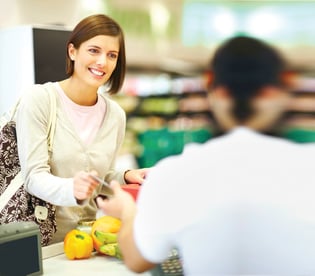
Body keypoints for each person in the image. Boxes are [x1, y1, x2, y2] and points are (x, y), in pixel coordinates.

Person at [96, 36, 315, 275]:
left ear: (211, 84)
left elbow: (137, 259)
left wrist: (128, 212)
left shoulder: (174, 174)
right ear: (284, 86)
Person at [16, 14, 148, 244]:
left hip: (87, 239)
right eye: (94, 50)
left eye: (112, 55)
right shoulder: (40, 100)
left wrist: (126, 176)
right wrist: (72, 189)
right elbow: (34, 177)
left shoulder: (115, 115)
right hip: (39, 243)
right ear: (72, 51)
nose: (102, 62)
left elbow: (97, 177)